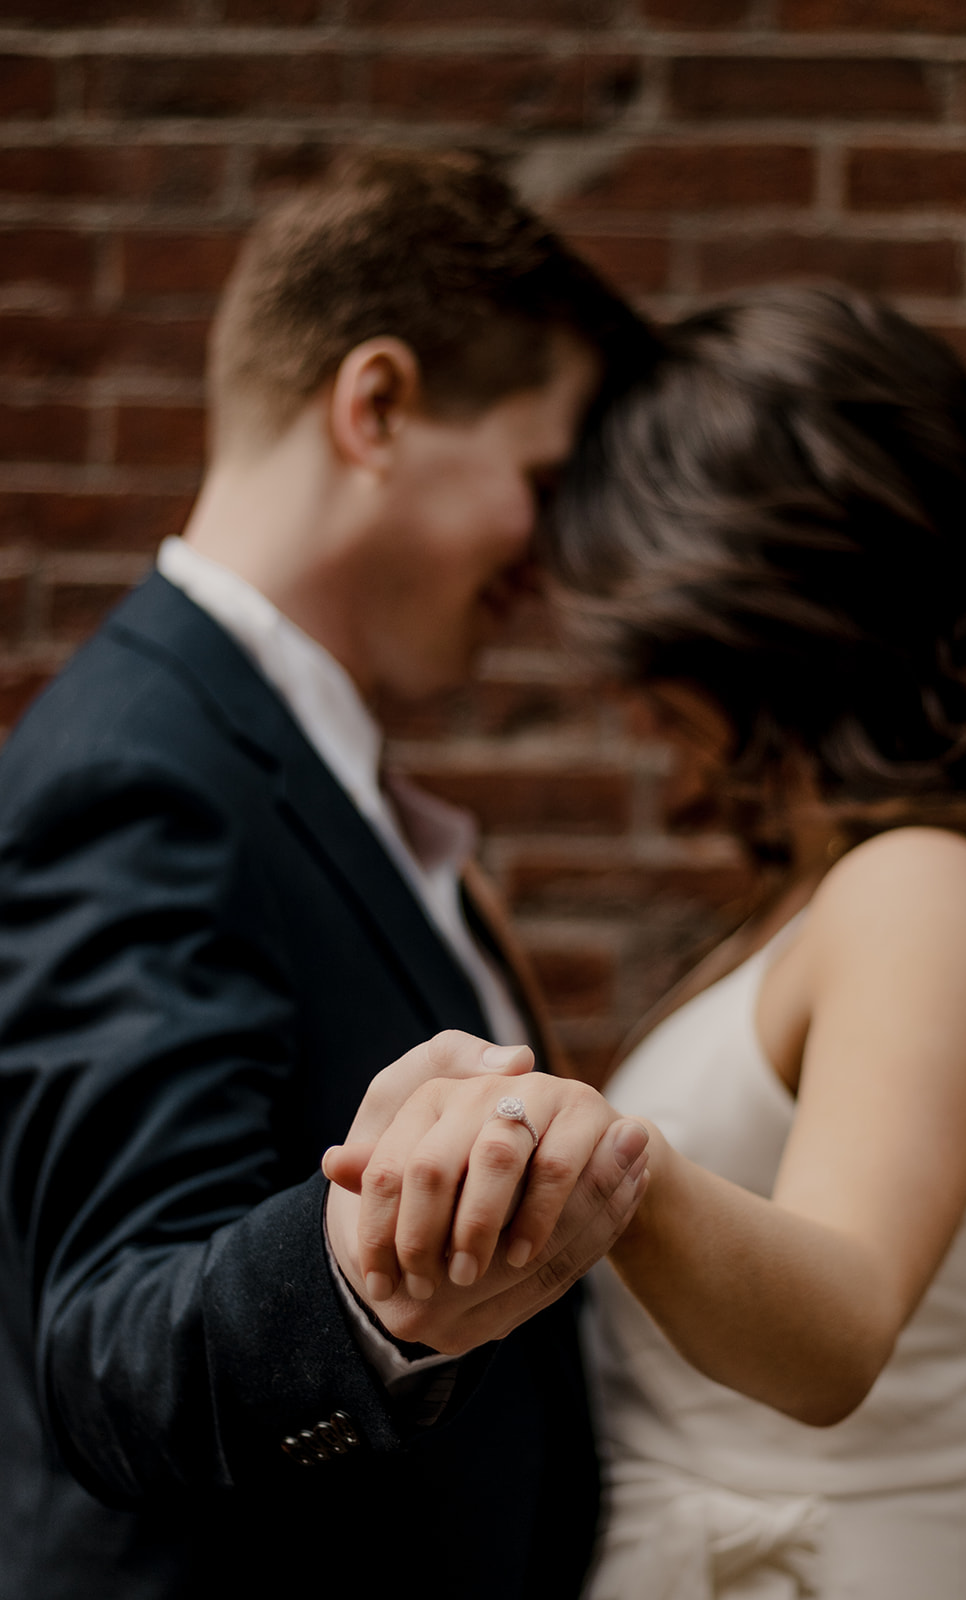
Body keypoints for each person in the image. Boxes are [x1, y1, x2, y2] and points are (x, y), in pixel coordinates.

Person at [332, 284, 966, 1598]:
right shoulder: (829, 893)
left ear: (755, 606)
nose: (622, 693)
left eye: (639, 629)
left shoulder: (923, 890)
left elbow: (837, 1331)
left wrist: (599, 1150)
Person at [0, 147, 657, 1600]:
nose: (547, 566)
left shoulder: (299, 762)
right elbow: (108, 1344)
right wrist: (365, 1282)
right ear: (377, 407)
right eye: (541, 478)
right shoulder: (144, 771)